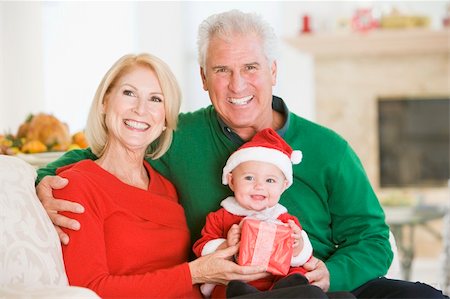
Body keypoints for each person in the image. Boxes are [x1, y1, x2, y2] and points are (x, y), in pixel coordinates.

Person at [36, 10, 448, 299]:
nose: (237, 85)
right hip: (238, 288)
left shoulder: (329, 149)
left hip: (324, 282)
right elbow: (104, 153)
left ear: (273, 70)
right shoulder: (176, 135)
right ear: (203, 78)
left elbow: (373, 239)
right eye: (221, 70)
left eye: (250, 67)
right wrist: (44, 182)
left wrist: (331, 273)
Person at [47, 53, 268, 298]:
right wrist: (194, 274)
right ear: (104, 102)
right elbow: (90, 290)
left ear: (165, 119)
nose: (141, 109)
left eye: (155, 99)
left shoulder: (165, 186)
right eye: (129, 93)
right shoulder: (76, 186)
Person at [193, 128, 314, 298]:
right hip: (236, 281)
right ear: (232, 181)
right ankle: (243, 293)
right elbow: (202, 248)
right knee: (227, 289)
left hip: (276, 281)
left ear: (284, 186)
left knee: (297, 277)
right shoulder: (221, 217)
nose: (259, 186)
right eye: (249, 178)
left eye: (270, 180)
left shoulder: (285, 220)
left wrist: (297, 243)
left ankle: (289, 288)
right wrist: (226, 245)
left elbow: (302, 256)